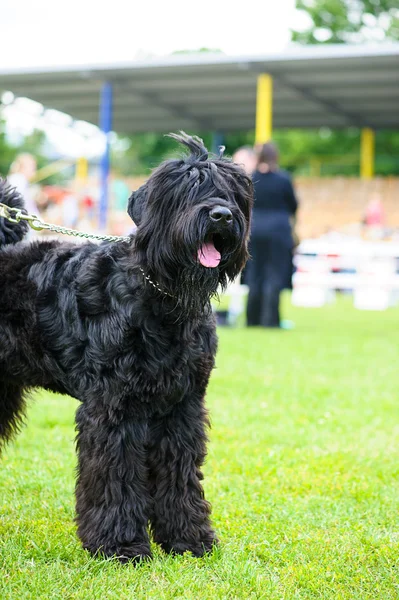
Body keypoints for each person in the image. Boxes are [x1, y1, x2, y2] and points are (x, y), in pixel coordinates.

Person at [247, 142, 298, 328]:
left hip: (254, 230)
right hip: (278, 231)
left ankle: (252, 319)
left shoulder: (251, 178)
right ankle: (270, 321)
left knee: (254, 275)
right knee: (274, 275)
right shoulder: (283, 179)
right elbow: (293, 206)